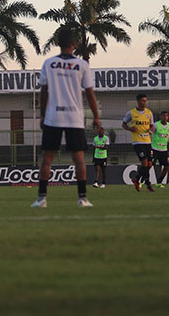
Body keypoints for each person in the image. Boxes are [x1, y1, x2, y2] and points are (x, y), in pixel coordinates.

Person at [31, 28, 100, 208]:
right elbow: (90, 94)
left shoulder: (49, 63)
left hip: (53, 117)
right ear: (74, 44)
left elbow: (43, 91)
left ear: (57, 43)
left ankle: (41, 199)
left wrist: (43, 114)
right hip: (74, 118)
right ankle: (82, 199)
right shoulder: (82, 65)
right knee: (78, 159)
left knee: (47, 159)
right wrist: (96, 117)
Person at [123, 94, 155, 192]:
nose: (144, 103)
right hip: (137, 141)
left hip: (148, 141)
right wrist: (130, 128)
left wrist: (151, 130)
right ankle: (148, 183)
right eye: (142, 101)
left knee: (149, 165)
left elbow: (152, 126)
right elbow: (123, 124)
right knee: (144, 163)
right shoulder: (131, 113)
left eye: (145, 101)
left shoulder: (149, 113)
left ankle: (136, 179)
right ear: (138, 101)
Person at [151, 111, 169, 188]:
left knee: (166, 167)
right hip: (155, 149)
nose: (165, 117)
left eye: (166, 116)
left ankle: (159, 183)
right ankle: (141, 180)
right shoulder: (156, 125)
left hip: (164, 150)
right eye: (163, 116)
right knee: (149, 165)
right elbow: (150, 133)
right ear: (160, 117)